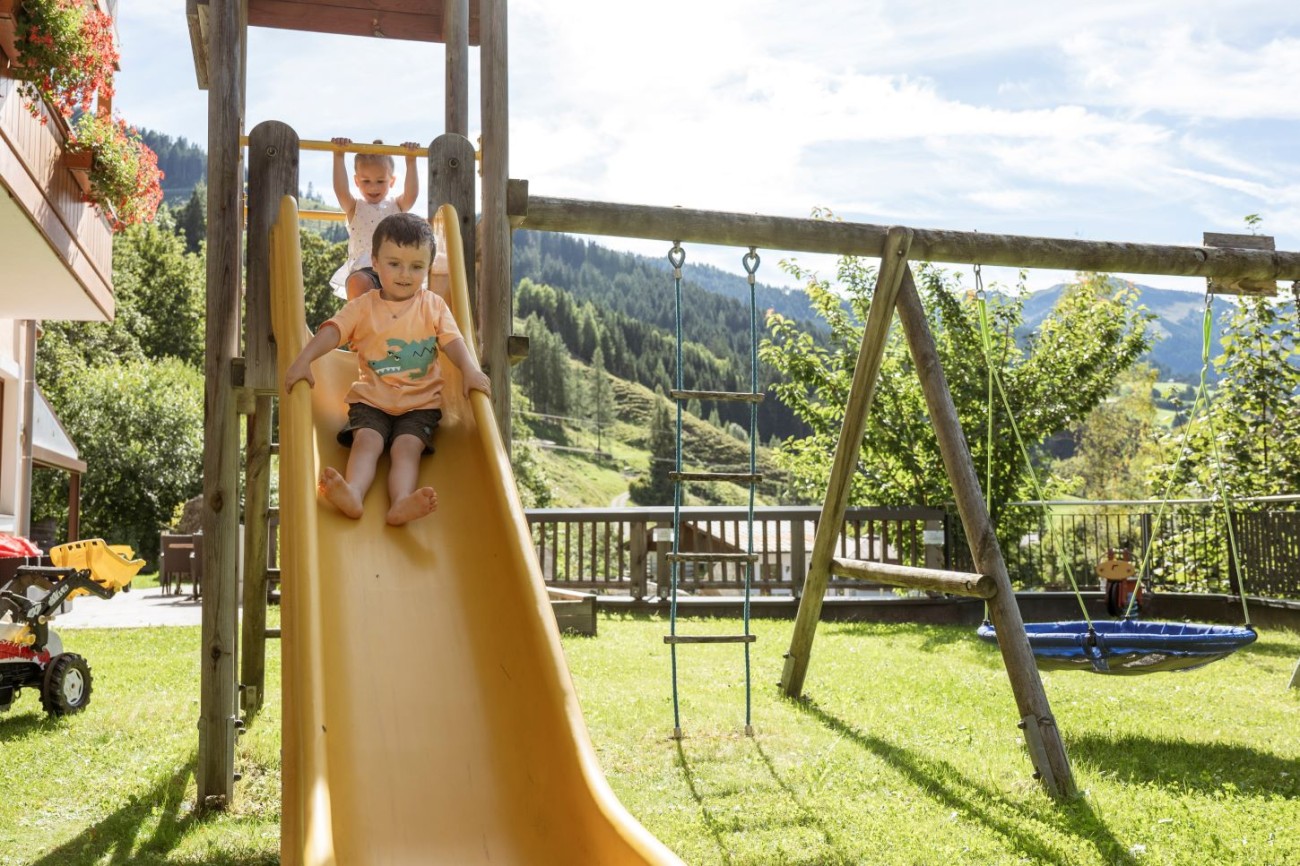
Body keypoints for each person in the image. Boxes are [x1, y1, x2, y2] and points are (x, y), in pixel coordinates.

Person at [285, 212, 492, 526]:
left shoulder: (433, 305)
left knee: (406, 449)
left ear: (428, 269)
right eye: (394, 263)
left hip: (420, 405)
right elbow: (333, 331)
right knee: (367, 440)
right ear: (376, 263)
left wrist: (469, 370)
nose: (405, 274)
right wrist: (304, 359)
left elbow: (453, 341)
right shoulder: (363, 306)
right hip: (372, 401)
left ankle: (400, 503)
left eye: (416, 266)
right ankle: (353, 493)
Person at [329, 136, 422, 300]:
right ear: (356, 181)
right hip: (366, 269)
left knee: (414, 291)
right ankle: (361, 321)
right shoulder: (354, 207)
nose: (373, 187)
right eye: (366, 181)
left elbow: (412, 194)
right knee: (357, 282)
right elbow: (341, 190)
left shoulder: (397, 206)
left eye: (380, 181)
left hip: (395, 269)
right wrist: (338, 156)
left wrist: (411, 160)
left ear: (391, 181)